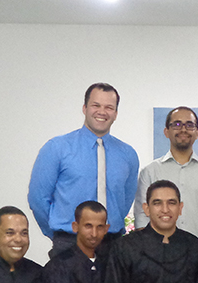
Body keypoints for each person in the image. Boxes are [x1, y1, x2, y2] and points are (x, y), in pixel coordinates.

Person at [29, 82, 139, 257]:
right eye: (96, 105)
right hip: (68, 243)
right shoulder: (57, 148)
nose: (102, 112)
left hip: (112, 245)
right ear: (84, 108)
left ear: (116, 113)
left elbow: (124, 202)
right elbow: (38, 199)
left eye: (109, 107)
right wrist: (57, 234)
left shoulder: (128, 155)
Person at [134, 106, 198, 253]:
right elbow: (142, 216)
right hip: (159, 251)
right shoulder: (150, 172)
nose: (183, 129)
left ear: (197, 133)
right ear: (166, 132)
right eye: (177, 124)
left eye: (189, 125)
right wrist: (147, 254)